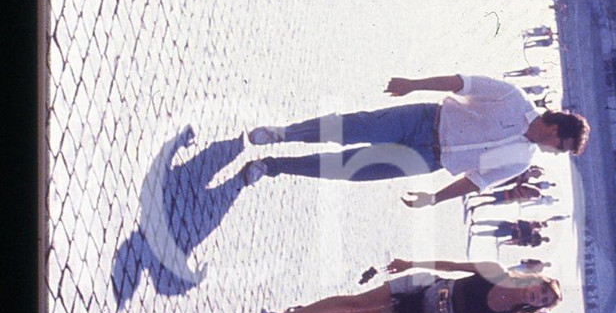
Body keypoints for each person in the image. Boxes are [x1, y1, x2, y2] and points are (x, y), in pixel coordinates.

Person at [242, 74, 589, 203]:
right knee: (347, 129)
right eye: (562, 147)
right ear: (557, 130)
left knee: (348, 169)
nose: (556, 153)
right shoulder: (512, 97)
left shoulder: (522, 160)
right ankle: (279, 134)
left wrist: (435, 199)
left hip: (428, 161)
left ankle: (271, 166)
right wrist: (413, 85)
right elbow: (460, 83)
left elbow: (476, 181)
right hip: (423, 120)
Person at [262, 258, 561, 313]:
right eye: (542, 290)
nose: (538, 297)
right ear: (535, 280)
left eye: (542, 301)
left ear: (538, 308)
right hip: (425, 286)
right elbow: (452, 266)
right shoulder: (496, 271)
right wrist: (412, 264)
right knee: (357, 302)